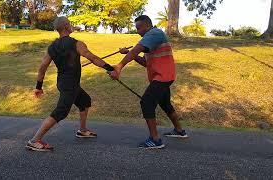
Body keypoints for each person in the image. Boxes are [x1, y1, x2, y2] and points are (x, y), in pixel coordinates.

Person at [26, 16, 115, 151]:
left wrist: (38, 87)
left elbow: (42, 67)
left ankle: (82, 130)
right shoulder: (77, 43)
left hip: (64, 83)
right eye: (70, 24)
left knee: (85, 101)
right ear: (66, 26)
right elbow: (93, 58)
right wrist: (111, 69)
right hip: (69, 86)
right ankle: (35, 140)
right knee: (60, 112)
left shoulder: (52, 47)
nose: (71, 25)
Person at [110, 15, 188, 149]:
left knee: (146, 102)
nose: (137, 31)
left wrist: (119, 66)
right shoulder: (151, 40)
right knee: (165, 104)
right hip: (164, 76)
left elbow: (137, 49)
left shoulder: (155, 33)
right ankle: (179, 131)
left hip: (162, 77)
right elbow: (145, 62)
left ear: (147, 26)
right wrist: (128, 53)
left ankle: (155, 139)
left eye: (139, 28)